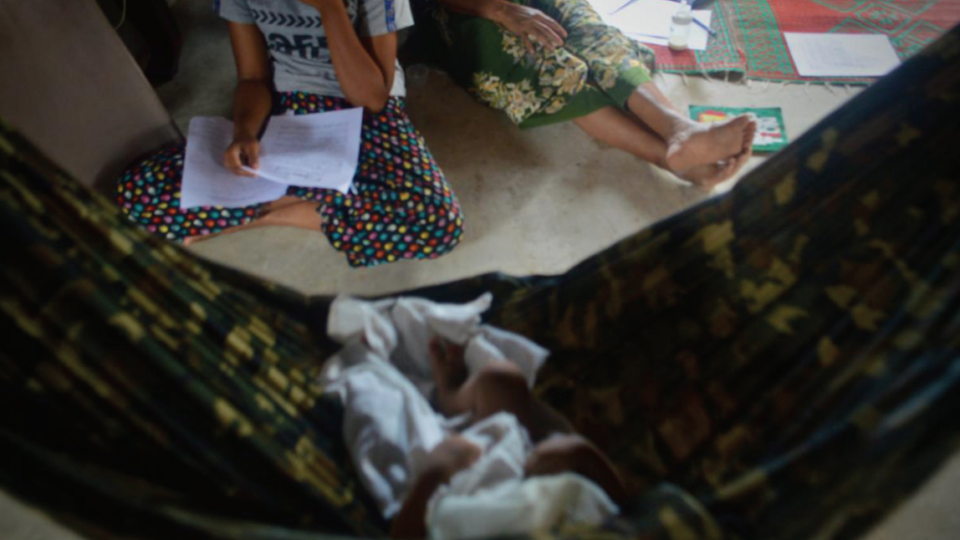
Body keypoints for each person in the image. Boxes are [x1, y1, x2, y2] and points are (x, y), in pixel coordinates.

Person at [117, 0, 463, 268]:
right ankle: (321, 198)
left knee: (437, 223)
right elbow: (252, 79)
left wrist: (330, 8)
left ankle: (264, 214)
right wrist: (244, 132)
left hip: (370, 108)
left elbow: (372, 97)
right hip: (292, 108)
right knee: (139, 192)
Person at [418, 0, 756, 188]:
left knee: (591, 32)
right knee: (544, 62)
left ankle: (678, 129)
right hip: (459, 10)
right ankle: (669, 158)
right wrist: (501, 10)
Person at [390, 339, 626, 539]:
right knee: (501, 379)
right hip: (536, 480)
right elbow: (635, 518)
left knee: (498, 380)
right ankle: (450, 398)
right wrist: (584, 454)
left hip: (476, 500)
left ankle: (450, 397)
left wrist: (433, 474)